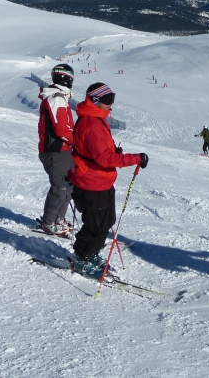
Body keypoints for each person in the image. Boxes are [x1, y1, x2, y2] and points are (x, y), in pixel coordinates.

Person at [68, 83, 148, 278]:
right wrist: (134, 158)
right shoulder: (92, 123)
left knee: (106, 221)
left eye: (112, 98)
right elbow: (104, 158)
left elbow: (99, 152)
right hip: (91, 182)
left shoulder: (95, 119)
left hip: (99, 180)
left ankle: (90, 253)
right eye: (106, 100)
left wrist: (114, 152)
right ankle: (82, 257)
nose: (110, 104)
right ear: (94, 101)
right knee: (96, 224)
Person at [36, 63, 75, 236]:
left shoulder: (59, 97)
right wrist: (78, 141)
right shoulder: (56, 98)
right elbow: (61, 129)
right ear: (67, 79)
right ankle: (49, 222)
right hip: (56, 150)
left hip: (63, 150)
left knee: (68, 187)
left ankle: (58, 219)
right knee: (61, 188)